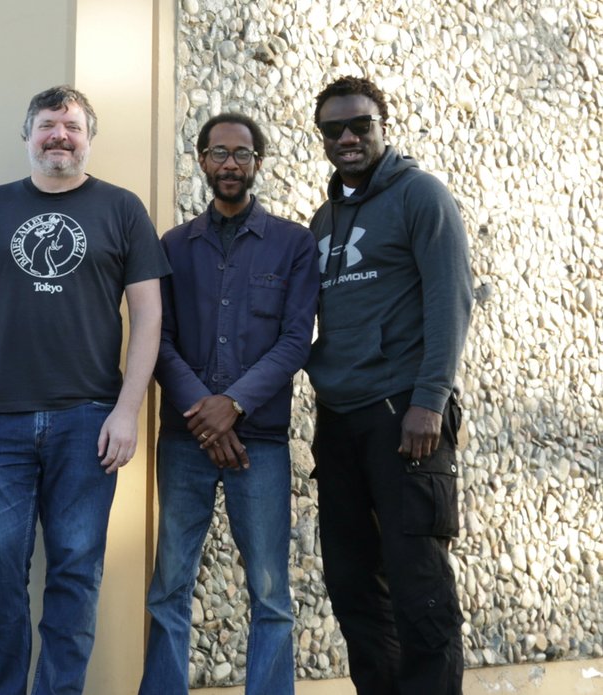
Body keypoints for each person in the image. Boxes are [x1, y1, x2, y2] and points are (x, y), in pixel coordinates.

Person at [0, 85, 170, 695]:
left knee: (75, 570)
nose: (59, 137)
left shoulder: (122, 209)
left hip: (89, 421)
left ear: (88, 138)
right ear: (28, 136)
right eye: (48, 126)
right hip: (0, 424)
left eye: (71, 127)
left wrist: (128, 411)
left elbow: (149, 317)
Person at [138, 113, 317, 694]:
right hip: (186, 439)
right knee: (169, 584)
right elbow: (156, 339)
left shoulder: (293, 244)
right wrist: (205, 412)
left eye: (241, 154)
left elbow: (296, 339)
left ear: (257, 163)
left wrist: (233, 405)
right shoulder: (172, 246)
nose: (230, 164)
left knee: (269, 589)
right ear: (201, 161)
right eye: (219, 153)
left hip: (259, 442)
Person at [306, 76, 473, 694]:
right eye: (334, 129)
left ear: (383, 125)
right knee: (352, 582)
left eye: (360, 125)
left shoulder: (421, 196)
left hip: (405, 415)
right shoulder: (324, 219)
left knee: (418, 581)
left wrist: (430, 400)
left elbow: (450, 300)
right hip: (339, 420)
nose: (348, 137)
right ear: (322, 138)